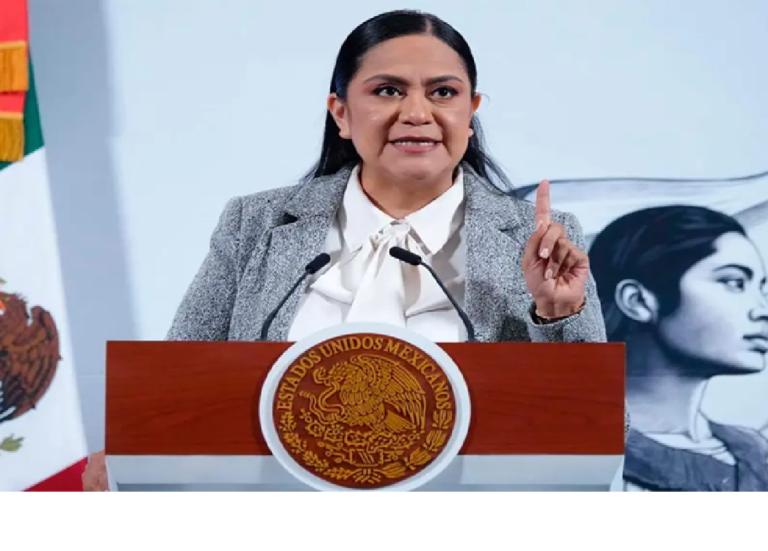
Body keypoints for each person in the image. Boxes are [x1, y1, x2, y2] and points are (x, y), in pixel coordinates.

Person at [83, 9, 628, 490]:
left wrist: (558, 313)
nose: (417, 113)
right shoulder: (257, 223)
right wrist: (134, 451)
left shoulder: (539, 238)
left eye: (443, 92)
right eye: (388, 90)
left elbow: (599, 430)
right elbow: (180, 388)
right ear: (341, 112)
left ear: (471, 111)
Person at [589, 205, 768, 491]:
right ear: (638, 301)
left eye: (762, 289)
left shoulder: (755, 453)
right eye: (735, 282)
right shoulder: (569, 453)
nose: (762, 310)